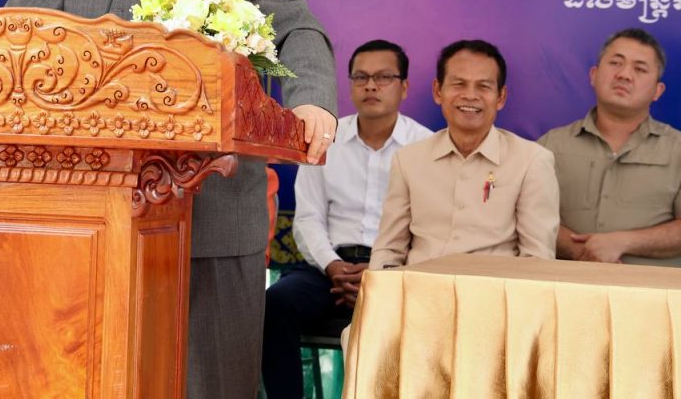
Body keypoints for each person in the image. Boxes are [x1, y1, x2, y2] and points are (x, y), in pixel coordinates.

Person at [7, 0, 338, 399]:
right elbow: (13, 38)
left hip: (214, 218)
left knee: (213, 385)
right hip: (92, 218)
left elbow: (299, 31)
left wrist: (312, 101)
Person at [261, 40, 431, 398]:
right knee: (275, 304)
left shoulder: (425, 147)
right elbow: (308, 219)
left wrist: (381, 272)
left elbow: (430, 228)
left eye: (383, 77)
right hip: (329, 271)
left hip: (396, 273)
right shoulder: (327, 139)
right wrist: (333, 266)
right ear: (350, 85)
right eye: (361, 77)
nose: (371, 86)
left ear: (404, 87)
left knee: (424, 317)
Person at [369, 40, 559, 270]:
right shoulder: (408, 159)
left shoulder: (531, 161)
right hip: (419, 285)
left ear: (501, 97)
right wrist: (384, 284)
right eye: (459, 84)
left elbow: (537, 258)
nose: (470, 95)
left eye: (483, 86)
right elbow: (389, 248)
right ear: (438, 91)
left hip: (492, 288)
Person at [539, 28, 681, 266]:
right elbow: (525, 215)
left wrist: (624, 242)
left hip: (652, 288)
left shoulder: (677, 149)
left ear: (658, 91)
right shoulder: (550, 145)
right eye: (616, 63)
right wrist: (581, 251)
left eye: (640, 69)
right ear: (593, 75)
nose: (624, 75)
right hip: (565, 285)